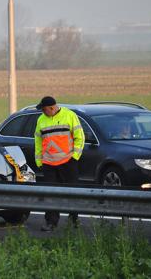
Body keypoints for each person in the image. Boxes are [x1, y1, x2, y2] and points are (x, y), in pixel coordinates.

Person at [34, 96, 85, 232]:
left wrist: (74, 157)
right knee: (50, 194)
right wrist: (39, 161)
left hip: (68, 162)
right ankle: (51, 222)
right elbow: (38, 142)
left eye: (44, 109)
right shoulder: (41, 120)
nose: (42, 112)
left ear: (52, 107)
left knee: (72, 193)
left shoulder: (70, 115)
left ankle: (74, 220)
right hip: (49, 163)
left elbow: (80, 137)